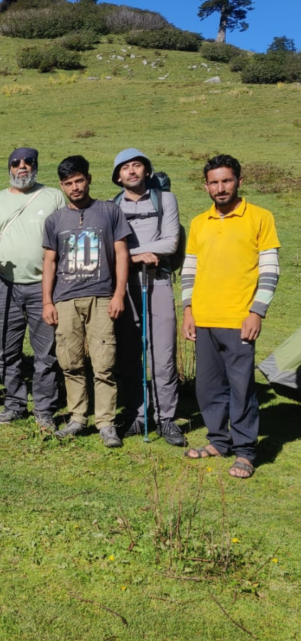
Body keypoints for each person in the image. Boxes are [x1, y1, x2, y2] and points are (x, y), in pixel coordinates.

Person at [182, 154, 280, 479]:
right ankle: (217, 441)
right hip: (205, 319)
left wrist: (256, 312)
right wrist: (187, 311)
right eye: (214, 182)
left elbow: (269, 270)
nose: (220, 188)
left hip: (240, 320)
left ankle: (245, 451)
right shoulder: (198, 223)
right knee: (208, 389)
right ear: (206, 185)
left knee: (241, 388)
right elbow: (190, 271)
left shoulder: (260, 217)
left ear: (239, 180)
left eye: (226, 181)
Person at [42, 155, 131, 448]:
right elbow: (50, 263)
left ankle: (106, 423)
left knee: (104, 364)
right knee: (70, 362)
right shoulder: (54, 220)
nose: (75, 187)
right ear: (62, 186)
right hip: (65, 299)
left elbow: (121, 254)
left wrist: (119, 293)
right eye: (68, 183)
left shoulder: (109, 211)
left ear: (89, 179)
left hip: (102, 297)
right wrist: (47, 302)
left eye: (79, 180)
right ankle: (77, 418)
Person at [0, 148, 65, 431]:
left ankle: (44, 410)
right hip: (5, 284)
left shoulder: (53, 196)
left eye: (28, 163)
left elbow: (64, 238)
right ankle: (14, 404)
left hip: (44, 286)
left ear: (36, 167)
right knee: (6, 351)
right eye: (16, 163)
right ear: (9, 169)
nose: (23, 167)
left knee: (45, 353)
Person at [111, 148, 186, 446]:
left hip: (158, 281)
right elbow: (108, 247)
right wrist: (136, 254)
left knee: (163, 353)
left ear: (147, 170)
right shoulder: (112, 207)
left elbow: (171, 241)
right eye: (125, 168)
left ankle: (166, 418)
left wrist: (128, 254)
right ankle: (137, 413)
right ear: (118, 177)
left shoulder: (165, 199)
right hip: (123, 284)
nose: (132, 171)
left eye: (137, 165)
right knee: (129, 352)